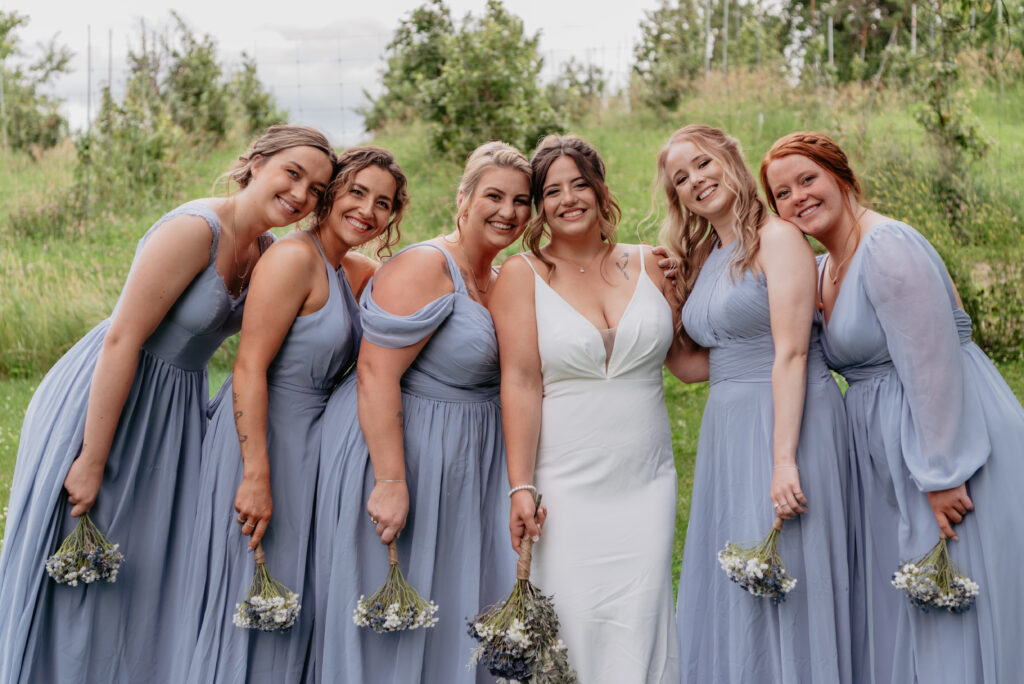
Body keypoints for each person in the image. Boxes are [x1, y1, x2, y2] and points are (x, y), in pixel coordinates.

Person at [0, 125, 335, 683]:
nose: (302, 195)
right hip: (111, 395)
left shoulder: (267, 251)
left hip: (175, 406)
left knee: (143, 561)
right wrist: (90, 457)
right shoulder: (194, 228)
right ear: (255, 163)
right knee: (81, 548)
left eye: (317, 190)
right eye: (293, 174)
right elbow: (121, 339)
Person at [762, 131, 1024, 684]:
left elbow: (933, 362)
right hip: (888, 444)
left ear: (842, 175)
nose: (798, 198)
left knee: (951, 589)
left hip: (941, 436)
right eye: (782, 193)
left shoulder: (885, 245)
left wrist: (944, 471)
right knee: (916, 593)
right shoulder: (826, 264)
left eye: (808, 179)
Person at [171, 147, 406, 684]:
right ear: (331, 195)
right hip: (261, 442)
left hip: (308, 451)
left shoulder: (352, 268)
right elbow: (249, 367)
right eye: (356, 193)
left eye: (384, 203)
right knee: (250, 594)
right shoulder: (293, 259)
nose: (369, 211)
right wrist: (255, 476)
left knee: (291, 598)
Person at [309, 141, 531, 683]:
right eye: (494, 196)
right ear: (463, 197)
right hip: (401, 452)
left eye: (521, 201)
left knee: (448, 604)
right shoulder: (427, 265)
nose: (507, 211)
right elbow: (375, 373)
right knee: (393, 616)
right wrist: (390, 480)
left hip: (464, 464)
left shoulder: (501, 279)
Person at [490, 134, 686, 683]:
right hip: (565, 481)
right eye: (552, 190)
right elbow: (522, 381)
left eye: (580, 184)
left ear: (601, 191)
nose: (568, 198)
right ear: (540, 205)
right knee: (571, 616)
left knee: (640, 614)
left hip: (645, 479)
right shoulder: (522, 275)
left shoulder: (653, 265)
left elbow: (689, 361)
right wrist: (521, 485)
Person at [661, 124, 852, 683]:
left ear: (730, 160)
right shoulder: (706, 254)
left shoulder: (778, 238)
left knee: (791, 572)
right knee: (742, 572)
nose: (696, 180)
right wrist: (670, 303)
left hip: (789, 419)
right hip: (728, 426)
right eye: (680, 178)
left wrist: (784, 459)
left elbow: (791, 352)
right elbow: (695, 368)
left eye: (702, 164)